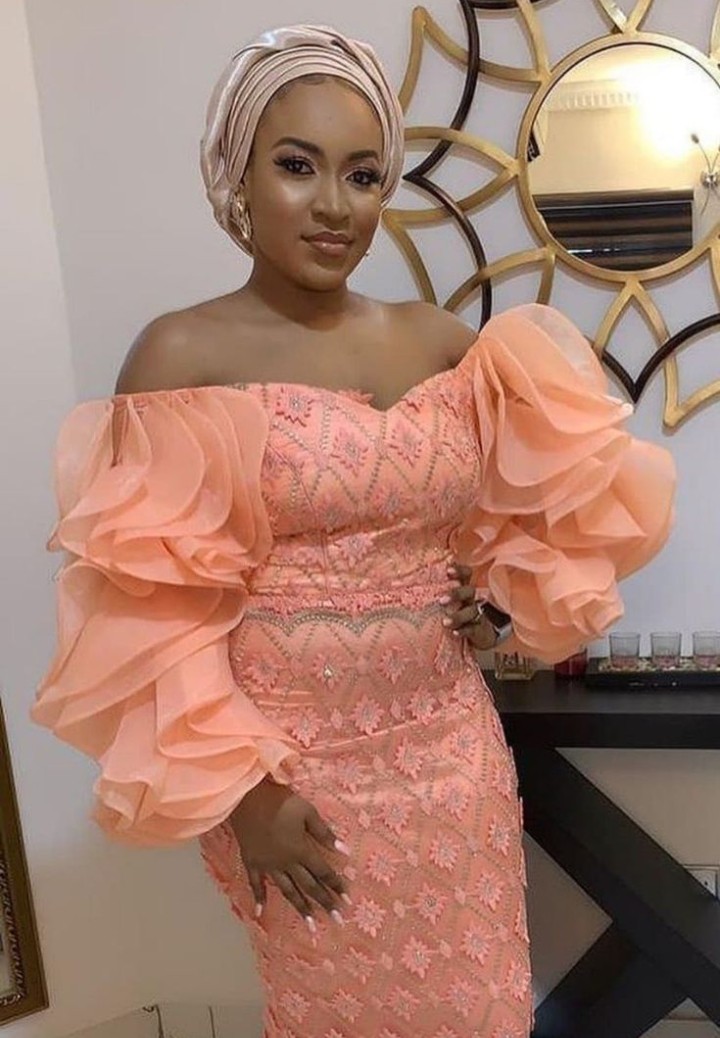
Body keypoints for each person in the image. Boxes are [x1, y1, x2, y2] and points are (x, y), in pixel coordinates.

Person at [32, 24, 675, 1038]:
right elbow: (154, 613)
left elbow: (559, 495)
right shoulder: (180, 357)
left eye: (364, 175)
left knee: (480, 1011)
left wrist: (493, 597)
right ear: (237, 173)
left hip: (452, 760)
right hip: (294, 780)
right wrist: (246, 799)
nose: (334, 205)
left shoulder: (439, 340)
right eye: (297, 166)